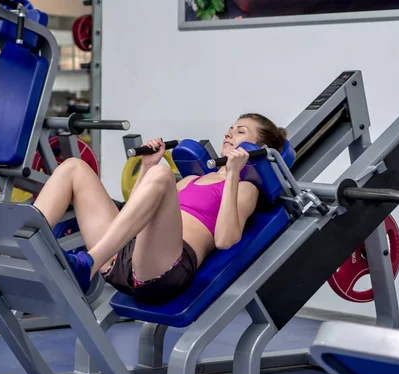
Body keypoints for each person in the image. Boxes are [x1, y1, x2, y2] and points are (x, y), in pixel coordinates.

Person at [33, 113, 287, 303]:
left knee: (163, 175)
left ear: (256, 148)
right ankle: (23, 241)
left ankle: (86, 265)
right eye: (231, 128)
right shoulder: (190, 180)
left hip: (165, 270)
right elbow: (135, 215)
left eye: (240, 131)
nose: (229, 133)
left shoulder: (245, 188)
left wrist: (233, 175)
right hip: (124, 255)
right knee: (74, 167)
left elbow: (224, 240)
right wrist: (147, 166)